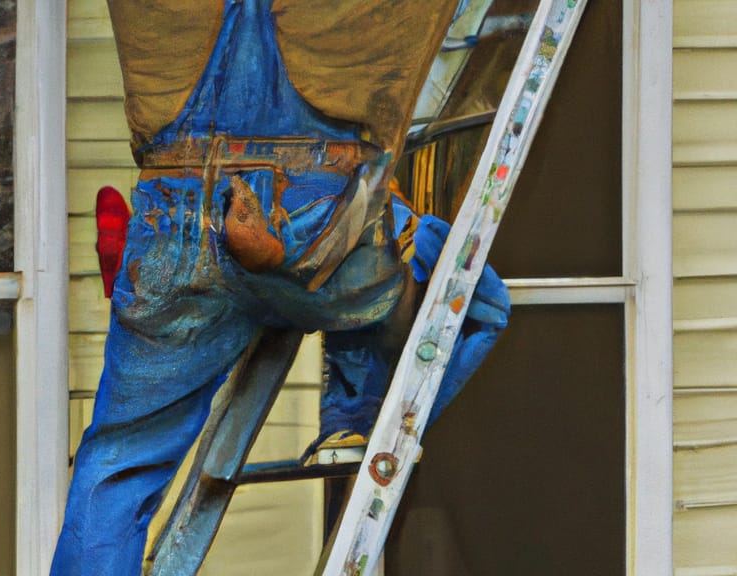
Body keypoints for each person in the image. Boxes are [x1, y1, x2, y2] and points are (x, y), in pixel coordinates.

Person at [52, 1, 509, 574]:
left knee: (119, 463)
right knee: (470, 294)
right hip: (319, 213)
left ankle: (342, 372)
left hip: (176, 213)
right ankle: (355, 411)